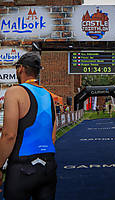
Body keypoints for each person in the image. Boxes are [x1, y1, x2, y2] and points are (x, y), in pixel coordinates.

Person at [0, 52, 57, 200]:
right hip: (48, 168)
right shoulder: (49, 96)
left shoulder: (15, 92)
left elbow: (9, 135)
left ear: (20, 69)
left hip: (22, 168)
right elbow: (52, 136)